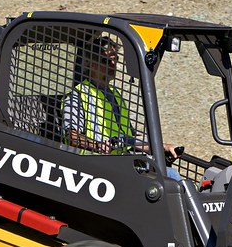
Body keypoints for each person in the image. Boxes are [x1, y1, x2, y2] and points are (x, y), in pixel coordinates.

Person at [62, 35, 182, 176]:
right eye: (106, 60)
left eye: (115, 59)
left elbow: (127, 139)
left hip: (120, 164)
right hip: (93, 168)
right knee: (170, 177)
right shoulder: (78, 96)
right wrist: (97, 146)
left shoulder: (115, 95)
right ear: (92, 64)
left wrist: (162, 147)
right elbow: (72, 137)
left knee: (170, 175)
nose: (113, 64)